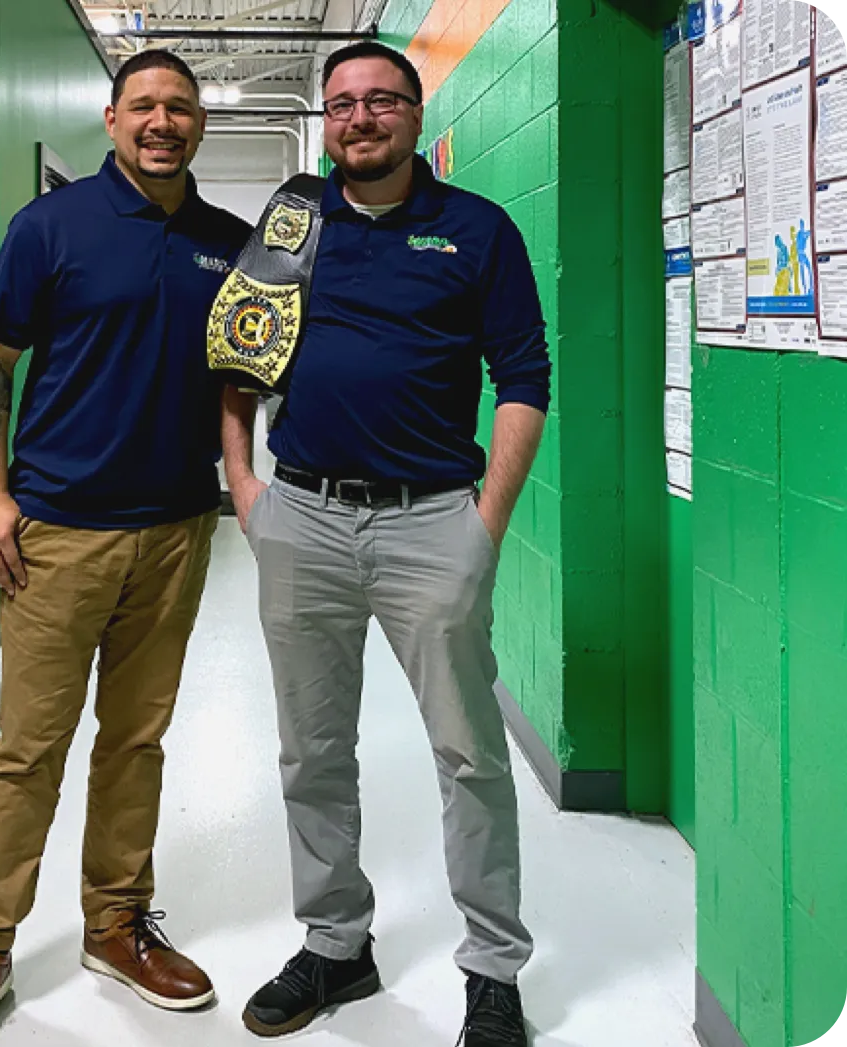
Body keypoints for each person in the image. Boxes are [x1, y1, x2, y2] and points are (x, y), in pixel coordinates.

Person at [0, 50, 251, 1047]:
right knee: (30, 749)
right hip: (57, 531)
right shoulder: (49, 228)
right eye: (143, 106)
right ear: (110, 120)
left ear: (199, 125)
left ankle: (115, 922)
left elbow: (245, 377)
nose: (162, 121)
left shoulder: (229, 244)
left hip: (179, 531)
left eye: (179, 108)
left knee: (136, 741)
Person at [222, 42, 551, 1047]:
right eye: (342, 104)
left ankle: (494, 969)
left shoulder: (476, 231)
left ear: (414, 115)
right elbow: (237, 357)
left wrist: (482, 526)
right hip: (304, 518)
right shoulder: (293, 217)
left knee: (468, 754)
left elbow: (524, 379)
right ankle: (336, 945)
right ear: (327, 121)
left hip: (430, 522)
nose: (360, 118)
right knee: (312, 751)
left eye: (380, 101)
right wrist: (245, 490)